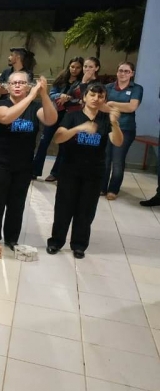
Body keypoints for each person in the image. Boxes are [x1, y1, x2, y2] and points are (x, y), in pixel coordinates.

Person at [47, 84, 123, 258]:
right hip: (70, 169)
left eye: (100, 96)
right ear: (84, 97)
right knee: (64, 207)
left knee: (86, 209)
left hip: (94, 171)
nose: (96, 99)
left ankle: (79, 245)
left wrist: (115, 123)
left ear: (104, 99)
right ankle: (56, 241)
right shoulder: (72, 116)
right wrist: (78, 128)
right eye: (92, 95)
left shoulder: (105, 119)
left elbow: (118, 142)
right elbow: (58, 138)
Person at [0, 72, 57, 249]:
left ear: (28, 86)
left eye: (22, 83)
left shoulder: (35, 107)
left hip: (23, 164)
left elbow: (51, 119)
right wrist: (31, 95)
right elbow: (6, 117)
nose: (17, 86)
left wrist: (44, 95)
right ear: (7, 87)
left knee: (17, 203)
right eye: (14, 83)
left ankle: (12, 238)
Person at [32, 57, 84, 181]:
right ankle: (34, 171)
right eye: (72, 67)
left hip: (69, 115)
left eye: (78, 67)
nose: (74, 70)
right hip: (55, 112)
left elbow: (82, 100)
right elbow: (52, 94)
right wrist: (61, 95)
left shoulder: (82, 83)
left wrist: (68, 98)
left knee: (63, 145)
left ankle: (55, 173)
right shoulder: (62, 79)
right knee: (44, 142)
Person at [102, 62, 143, 200]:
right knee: (105, 158)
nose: (123, 73)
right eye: (120, 70)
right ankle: (102, 187)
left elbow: (131, 107)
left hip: (125, 128)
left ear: (132, 73)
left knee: (118, 160)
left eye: (126, 71)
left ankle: (113, 189)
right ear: (117, 72)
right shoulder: (108, 87)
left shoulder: (136, 88)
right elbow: (101, 105)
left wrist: (112, 104)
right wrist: (117, 107)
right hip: (107, 127)